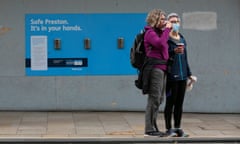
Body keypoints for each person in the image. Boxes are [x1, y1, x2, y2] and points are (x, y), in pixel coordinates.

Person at [142, 9, 172, 137]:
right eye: (162, 19)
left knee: (159, 99)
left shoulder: (160, 33)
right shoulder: (150, 32)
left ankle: (153, 126)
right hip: (155, 68)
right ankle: (149, 129)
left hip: (163, 68)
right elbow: (160, 44)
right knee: (154, 98)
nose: (164, 22)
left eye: (165, 19)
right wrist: (167, 30)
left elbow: (164, 48)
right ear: (155, 20)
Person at [164, 13, 193, 137]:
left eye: (176, 22)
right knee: (170, 103)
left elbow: (185, 58)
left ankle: (177, 127)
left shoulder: (182, 38)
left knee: (179, 104)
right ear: (168, 24)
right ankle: (168, 129)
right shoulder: (166, 39)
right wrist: (173, 51)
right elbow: (164, 55)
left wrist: (189, 74)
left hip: (183, 77)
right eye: (172, 22)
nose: (175, 24)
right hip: (172, 76)